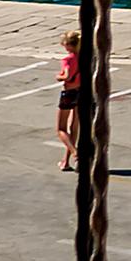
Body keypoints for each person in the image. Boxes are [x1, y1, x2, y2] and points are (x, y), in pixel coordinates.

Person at [51, 27, 87, 168]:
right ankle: (66, 161)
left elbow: (66, 75)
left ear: (69, 45)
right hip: (81, 91)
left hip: (69, 92)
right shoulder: (84, 57)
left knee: (61, 128)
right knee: (74, 126)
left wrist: (59, 77)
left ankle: (75, 154)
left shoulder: (68, 59)